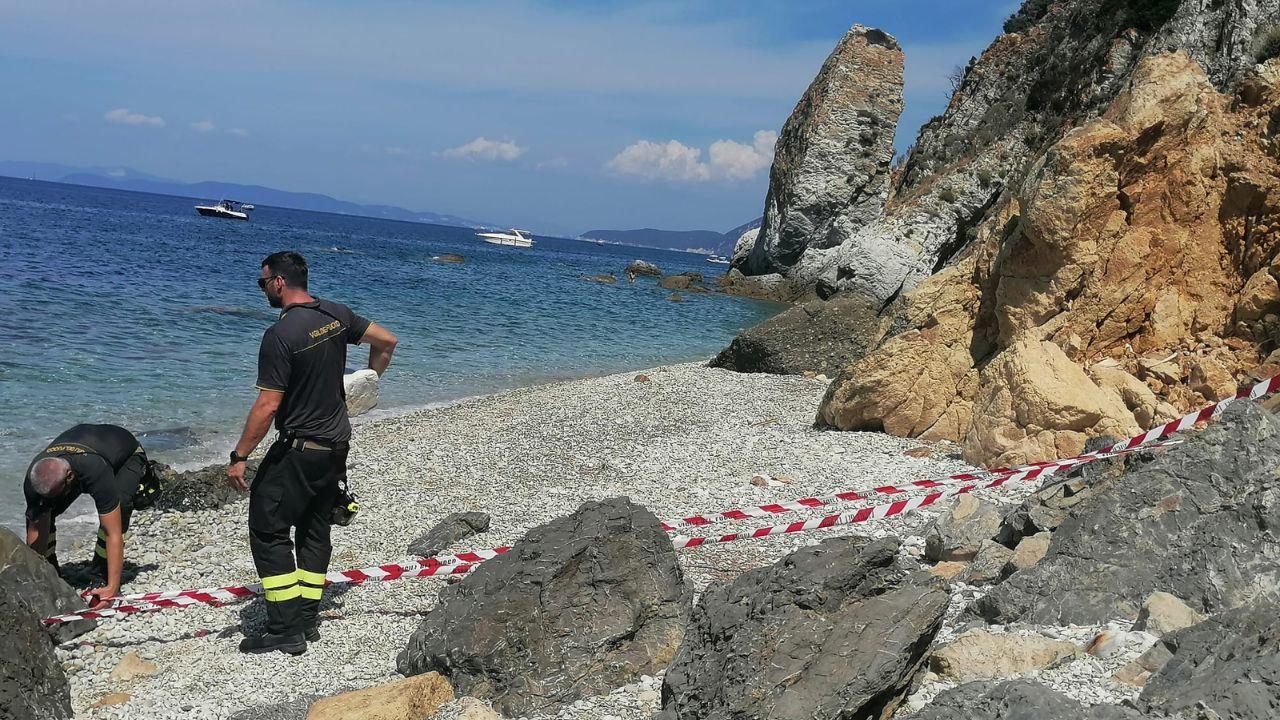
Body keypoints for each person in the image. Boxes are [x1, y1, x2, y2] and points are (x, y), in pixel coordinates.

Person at [228, 251, 397, 655]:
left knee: (268, 530)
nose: (262, 287)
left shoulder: (280, 335)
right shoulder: (336, 314)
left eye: (262, 281)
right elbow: (387, 341)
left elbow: (268, 405)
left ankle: (285, 628)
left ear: (279, 282)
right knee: (314, 530)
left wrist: (240, 455)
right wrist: (369, 382)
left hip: (300, 449)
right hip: (336, 447)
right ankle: (306, 618)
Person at [24, 423, 149, 609]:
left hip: (126, 454)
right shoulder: (35, 480)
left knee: (119, 508)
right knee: (46, 510)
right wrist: (37, 578)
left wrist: (112, 588)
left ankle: (101, 573)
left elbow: (112, 533)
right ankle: (52, 570)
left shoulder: (94, 469)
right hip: (86, 448)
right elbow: (35, 532)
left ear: (70, 477)